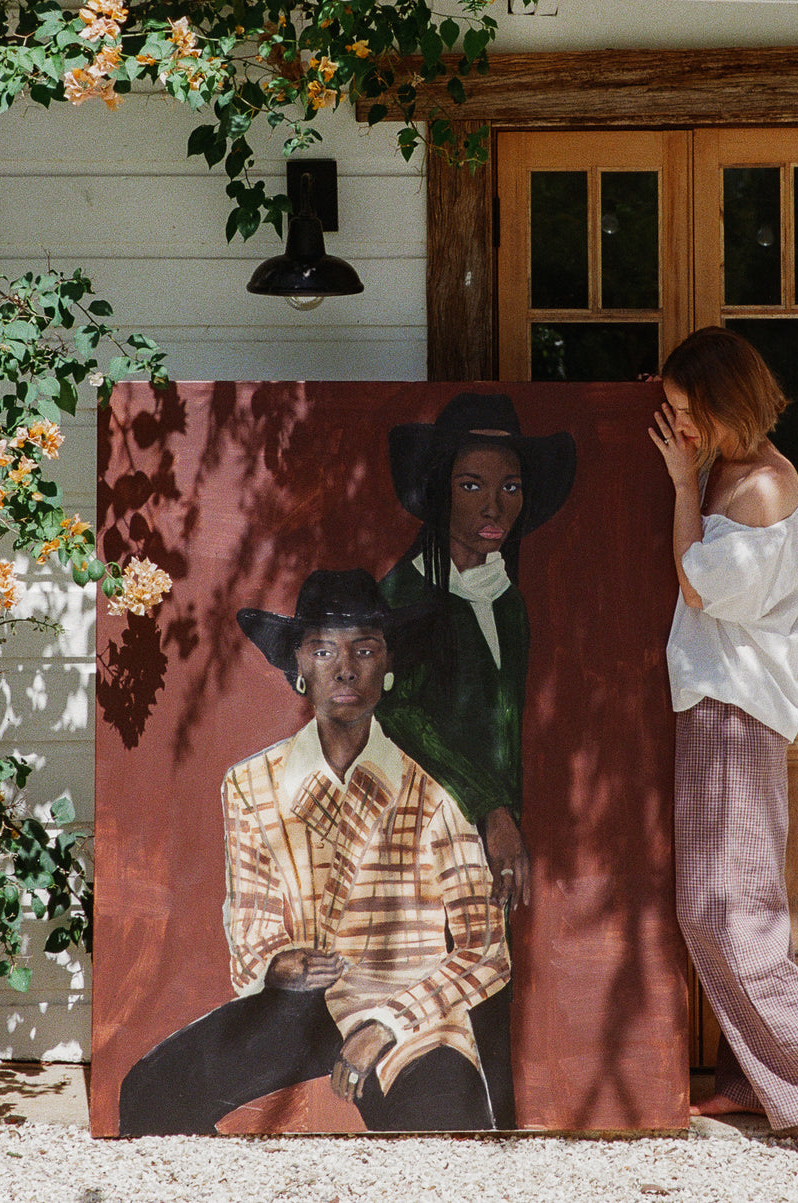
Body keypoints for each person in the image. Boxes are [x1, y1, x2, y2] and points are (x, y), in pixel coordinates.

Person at [118, 568, 512, 1136]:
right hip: (303, 1004)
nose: (345, 669)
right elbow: (253, 925)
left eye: (366, 650)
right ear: (298, 665)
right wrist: (278, 963)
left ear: (389, 668)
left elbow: (486, 950)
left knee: (448, 1125)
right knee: (153, 1092)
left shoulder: (432, 794)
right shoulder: (251, 785)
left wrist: (386, 1024)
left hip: (409, 1006)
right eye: (324, 650)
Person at [649, 327, 798, 1161]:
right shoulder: (735, 465)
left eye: (685, 413)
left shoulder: (764, 490)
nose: (677, 429)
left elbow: (698, 584)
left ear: (721, 408)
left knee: (725, 909)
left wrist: (680, 484)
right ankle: (759, 1072)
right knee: (727, 903)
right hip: (719, 706)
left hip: (737, 712)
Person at [377, 392, 576, 914]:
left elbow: (503, 725)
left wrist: (505, 820)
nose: (494, 506)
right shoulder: (404, 597)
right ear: (441, 492)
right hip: (418, 844)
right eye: (471, 486)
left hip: (497, 849)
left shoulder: (507, 601)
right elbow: (397, 718)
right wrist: (490, 811)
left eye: (510, 487)